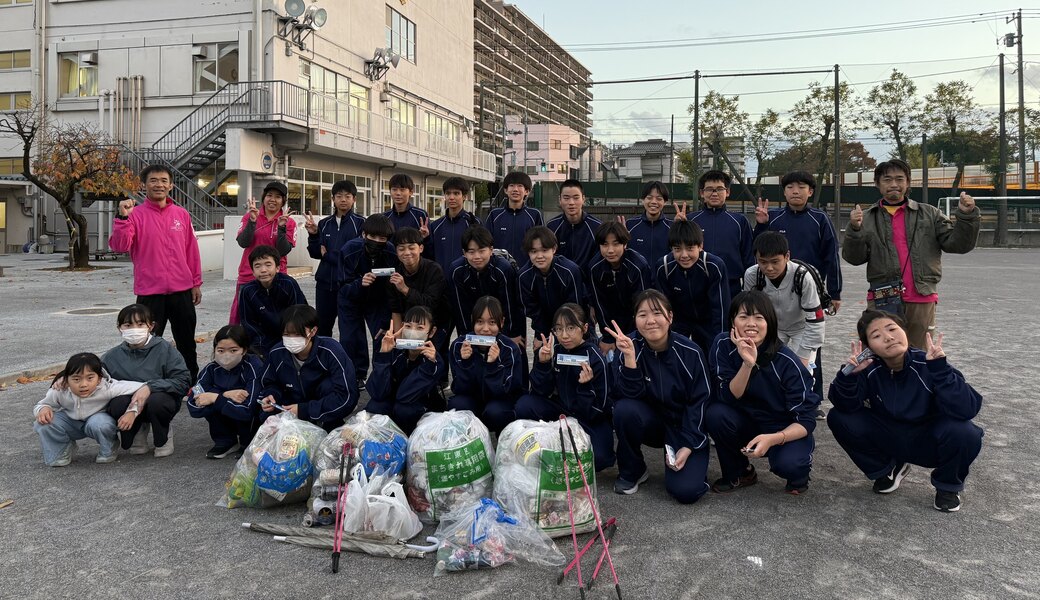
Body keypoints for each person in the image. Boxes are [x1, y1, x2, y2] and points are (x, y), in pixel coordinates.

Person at [827, 310, 983, 513]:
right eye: (876, 335)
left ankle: (947, 487)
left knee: (965, 433)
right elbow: (845, 407)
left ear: (904, 331)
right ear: (868, 347)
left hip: (929, 440)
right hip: (890, 436)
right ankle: (887, 470)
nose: (888, 337)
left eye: (892, 329)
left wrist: (941, 371)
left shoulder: (929, 363)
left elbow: (967, 408)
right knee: (838, 417)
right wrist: (848, 377)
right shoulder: (867, 368)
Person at [842, 159, 980, 349]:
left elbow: (957, 244)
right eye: (887, 179)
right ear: (877, 184)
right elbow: (854, 258)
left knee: (919, 355)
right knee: (879, 352)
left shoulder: (930, 214)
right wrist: (855, 230)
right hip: (882, 297)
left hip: (921, 296)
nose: (894, 185)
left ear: (908, 182)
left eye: (899, 179)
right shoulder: (866, 218)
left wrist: (966, 216)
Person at [706, 291, 820, 495]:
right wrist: (747, 365)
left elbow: (806, 420)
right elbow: (727, 396)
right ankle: (741, 472)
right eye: (743, 317)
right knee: (716, 413)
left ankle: (799, 475)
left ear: (770, 323)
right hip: (745, 421)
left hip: (781, 426)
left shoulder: (787, 362)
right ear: (732, 321)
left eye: (759, 317)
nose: (751, 323)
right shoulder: (722, 345)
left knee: (790, 464)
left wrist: (773, 438)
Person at [607, 290, 711, 503]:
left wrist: (689, 443)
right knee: (624, 410)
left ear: (670, 317)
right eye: (642, 315)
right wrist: (629, 359)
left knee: (687, 492)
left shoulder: (690, 352)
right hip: (651, 422)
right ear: (635, 319)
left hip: (682, 426)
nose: (650, 321)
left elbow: (701, 401)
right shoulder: (628, 345)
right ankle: (633, 470)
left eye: (657, 313)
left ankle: (693, 467)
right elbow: (626, 396)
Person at [110, 164, 202, 383]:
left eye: (163, 180)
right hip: (150, 293)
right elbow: (120, 246)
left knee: (186, 342)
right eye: (153, 180)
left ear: (170, 185)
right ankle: (147, 383)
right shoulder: (135, 215)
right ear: (144, 185)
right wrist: (122, 218)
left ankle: (189, 383)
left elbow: (191, 251)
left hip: (181, 291)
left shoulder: (181, 214)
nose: (158, 184)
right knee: (147, 342)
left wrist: (195, 282)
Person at [516, 304, 614, 472]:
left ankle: (565, 446)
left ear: (584, 328)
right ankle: (548, 444)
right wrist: (543, 364)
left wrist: (585, 386)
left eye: (570, 328)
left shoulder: (595, 357)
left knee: (600, 459)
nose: (564, 335)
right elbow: (539, 392)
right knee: (524, 404)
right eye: (559, 329)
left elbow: (600, 409)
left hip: (588, 416)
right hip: (560, 411)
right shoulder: (553, 350)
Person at [103, 304, 192, 458]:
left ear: (151, 326)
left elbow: (183, 381)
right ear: (119, 328)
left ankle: (163, 434)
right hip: (129, 400)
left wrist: (150, 386)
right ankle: (137, 429)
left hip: (160, 398)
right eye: (128, 325)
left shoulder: (165, 349)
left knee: (157, 402)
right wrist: (62, 379)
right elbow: (95, 375)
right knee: (116, 404)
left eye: (140, 324)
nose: (134, 329)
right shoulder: (112, 356)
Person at [753, 171, 843, 315]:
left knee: (810, 331)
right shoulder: (773, 217)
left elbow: (831, 256)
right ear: (784, 192)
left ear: (810, 192)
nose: (795, 191)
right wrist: (762, 225)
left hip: (810, 287)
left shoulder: (820, 219)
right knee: (775, 332)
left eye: (801, 187)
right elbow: (758, 251)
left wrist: (835, 292)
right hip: (775, 287)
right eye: (790, 187)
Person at [258, 304, 359, 432]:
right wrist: (270, 396)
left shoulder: (331, 351)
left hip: (322, 406)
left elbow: (346, 396)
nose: (291, 339)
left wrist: (304, 410)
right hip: (290, 406)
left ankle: (330, 426)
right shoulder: (277, 353)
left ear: (313, 331)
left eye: (297, 334)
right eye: (286, 334)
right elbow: (269, 382)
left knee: (329, 387)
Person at [34, 353, 144, 466]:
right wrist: (44, 408)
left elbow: (142, 387)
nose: (83, 384)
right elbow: (42, 404)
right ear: (66, 379)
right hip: (72, 423)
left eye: (90, 378)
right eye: (76, 379)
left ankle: (109, 446)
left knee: (100, 424)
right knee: (44, 423)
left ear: (99, 378)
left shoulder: (108, 388)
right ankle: (62, 449)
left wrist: (132, 411)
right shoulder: (60, 389)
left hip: (98, 422)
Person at [743, 232, 825, 378]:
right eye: (762, 261)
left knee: (802, 373)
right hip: (772, 329)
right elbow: (749, 312)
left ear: (787, 256)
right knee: (770, 372)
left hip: (802, 328)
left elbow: (816, 320)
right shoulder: (752, 275)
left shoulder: (803, 276)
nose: (769, 268)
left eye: (775, 262)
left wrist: (804, 356)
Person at [336, 214, 399, 386]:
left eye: (382, 238)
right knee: (350, 338)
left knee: (382, 334)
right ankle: (356, 375)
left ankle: (382, 374)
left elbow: (392, 287)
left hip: (378, 300)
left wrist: (387, 318)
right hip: (350, 299)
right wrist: (359, 283)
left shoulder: (390, 251)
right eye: (372, 237)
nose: (377, 241)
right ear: (364, 235)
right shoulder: (350, 249)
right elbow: (342, 285)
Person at [447, 296, 524, 434]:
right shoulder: (459, 345)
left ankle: (504, 441)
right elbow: (459, 388)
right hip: (472, 398)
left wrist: (492, 366)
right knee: (456, 405)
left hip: (499, 400)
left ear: (502, 322)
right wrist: (466, 363)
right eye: (480, 322)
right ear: (472, 321)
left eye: (492, 322)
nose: (485, 329)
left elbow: (508, 390)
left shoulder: (510, 348)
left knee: (495, 412)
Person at [186, 325, 264, 459]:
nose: (226, 355)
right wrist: (223, 395)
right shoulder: (210, 370)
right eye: (220, 350)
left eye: (233, 350)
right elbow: (194, 405)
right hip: (225, 413)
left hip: (250, 422)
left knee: (253, 408)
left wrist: (215, 397)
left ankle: (249, 443)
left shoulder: (254, 367)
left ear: (244, 350)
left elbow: (247, 410)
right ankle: (225, 440)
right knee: (209, 402)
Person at [365, 306, 446, 434]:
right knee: (375, 406)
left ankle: (409, 442)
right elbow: (377, 392)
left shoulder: (433, 359)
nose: (412, 332)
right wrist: (384, 354)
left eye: (420, 328)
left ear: (431, 332)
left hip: (421, 407)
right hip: (395, 400)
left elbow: (404, 395)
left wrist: (429, 365)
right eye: (408, 326)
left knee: (403, 409)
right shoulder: (395, 350)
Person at [653, 219, 729, 354]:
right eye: (677, 249)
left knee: (712, 355)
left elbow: (721, 309)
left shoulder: (714, 266)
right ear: (671, 249)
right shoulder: (663, 267)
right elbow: (663, 306)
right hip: (679, 321)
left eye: (690, 248)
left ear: (700, 246)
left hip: (708, 320)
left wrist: (721, 341)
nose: (684, 255)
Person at [388, 227, 452, 384]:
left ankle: (439, 383)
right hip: (410, 321)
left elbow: (431, 303)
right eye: (401, 248)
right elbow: (396, 310)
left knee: (433, 352)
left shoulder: (434, 269)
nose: (407, 252)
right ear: (396, 251)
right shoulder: (395, 274)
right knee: (406, 351)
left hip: (439, 319)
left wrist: (405, 289)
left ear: (421, 248)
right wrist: (398, 338)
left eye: (412, 247)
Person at [305, 179, 365, 337]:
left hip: (349, 285)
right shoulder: (324, 224)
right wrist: (313, 235)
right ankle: (323, 358)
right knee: (322, 328)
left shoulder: (361, 224)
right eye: (339, 196)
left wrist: (329, 254)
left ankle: (351, 362)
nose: (343, 199)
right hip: (325, 284)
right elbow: (315, 253)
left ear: (354, 199)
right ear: (333, 199)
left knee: (350, 329)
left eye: (347, 196)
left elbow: (356, 255)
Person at [231, 181, 297, 324]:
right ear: (264, 198)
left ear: (283, 201)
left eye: (278, 197)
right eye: (269, 195)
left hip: (276, 278)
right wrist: (252, 221)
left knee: (276, 320)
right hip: (248, 275)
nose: (273, 199)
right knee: (245, 320)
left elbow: (283, 250)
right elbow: (243, 242)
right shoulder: (250, 216)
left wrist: (281, 228)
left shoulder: (289, 222)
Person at [448, 225, 525, 345]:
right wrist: (467, 338)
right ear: (464, 253)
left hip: (501, 320)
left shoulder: (503, 269)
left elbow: (510, 305)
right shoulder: (457, 271)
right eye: (471, 252)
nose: (477, 257)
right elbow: (461, 310)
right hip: (476, 322)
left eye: (482, 251)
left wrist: (510, 335)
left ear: (491, 250)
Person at [588, 221, 652, 358]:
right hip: (612, 321)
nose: (610, 250)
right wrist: (608, 337)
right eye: (605, 244)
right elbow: (599, 304)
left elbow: (642, 304)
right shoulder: (595, 267)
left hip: (634, 322)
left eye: (616, 244)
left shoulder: (639, 266)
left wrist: (636, 335)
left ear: (625, 244)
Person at [689, 170, 754, 300]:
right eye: (709, 189)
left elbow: (749, 256)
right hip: (696, 282)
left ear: (727, 192)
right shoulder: (690, 220)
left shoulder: (740, 221)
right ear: (702, 193)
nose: (714, 193)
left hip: (731, 285)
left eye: (719, 189)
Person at [518, 226, 585, 345]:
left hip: (572, 327)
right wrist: (542, 335)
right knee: (542, 358)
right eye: (534, 251)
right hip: (542, 329)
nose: (539, 256)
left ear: (554, 249)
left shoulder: (569, 271)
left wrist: (563, 334)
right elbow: (532, 309)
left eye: (544, 250)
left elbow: (575, 307)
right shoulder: (524, 276)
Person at [238, 245, 308, 356]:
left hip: (289, 336)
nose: (263, 270)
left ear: (277, 268)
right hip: (263, 340)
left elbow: (300, 314)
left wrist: (289, 339)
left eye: (268, 264)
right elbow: (248, 323)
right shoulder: (248, 291)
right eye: (257, 266)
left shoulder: (288, 284)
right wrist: (260, 345)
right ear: (252, 271)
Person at [485, 171, 542, 269]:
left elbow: (541, 244)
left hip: (527, 270)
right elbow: (486, 243)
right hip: (499, 270)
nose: (515, 189)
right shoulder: (495, 215)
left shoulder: (534, 215)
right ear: (505, 190)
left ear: (527, 191)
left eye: (520, 186)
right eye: (511, 186)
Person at [426, 177, 480, 276]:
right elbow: (430, 255)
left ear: (464, 196)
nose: (451, 197)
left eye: (456, 193)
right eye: (448, 193)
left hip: (466, 281)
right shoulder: (435, 226)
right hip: (442, 282)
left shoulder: (473, 222)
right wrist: (425, 238)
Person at [546, 179, 603, 269]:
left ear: (583, 199)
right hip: (561, 281)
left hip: (587, 281)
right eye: (566, 198)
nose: (571, 203)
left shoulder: (597, 226)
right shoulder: (552, 226)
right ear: (560, 200)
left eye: (576, 198)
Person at [625, 181, 674, 266]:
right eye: (649, 197)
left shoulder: (673, 226)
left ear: (665, 202)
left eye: (659, 198)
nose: (654, 202)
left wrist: (683, 227)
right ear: (643, 200)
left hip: (663, 278)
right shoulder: (629, 225)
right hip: (637, 278)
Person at [383, 173, 430, 241]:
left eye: (402, 190)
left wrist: (425, 237)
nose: (398, 193)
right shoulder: (385, 217)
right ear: (390, 191)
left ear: (411, 192)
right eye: (394, 189)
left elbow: (429, 245)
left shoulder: (420, 215)